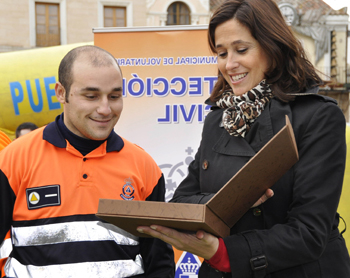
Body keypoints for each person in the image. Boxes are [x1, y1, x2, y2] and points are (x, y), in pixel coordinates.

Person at [136, 0, 350, 277]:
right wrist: (230, 201)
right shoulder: (218, 118)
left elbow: (309, 232)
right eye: (221, 53)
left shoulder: (318, 117)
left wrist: (225, 254)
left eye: (241, 50)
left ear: (272, 48)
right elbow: (182, 201)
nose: (230, 64)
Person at [0, 45, 175, 278]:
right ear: (61, 93)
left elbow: (159, 263)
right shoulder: (14, 159)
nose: (105, 108)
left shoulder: (144, 166)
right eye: (91, 96)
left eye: (114, 96)